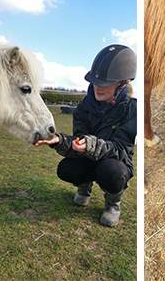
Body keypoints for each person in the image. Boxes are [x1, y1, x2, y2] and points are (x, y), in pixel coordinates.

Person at [35, 44, 137, 227]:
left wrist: (90, 145)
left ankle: (113, 203)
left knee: (113, 172)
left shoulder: (132, 110)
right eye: (95, 81)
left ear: (123, 84)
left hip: (114, 163)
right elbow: (78, 143)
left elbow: (121, 150)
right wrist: (59, 140)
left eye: (105, 83)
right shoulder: (83, 107)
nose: (97, 87)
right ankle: (84, 188)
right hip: (88, 160)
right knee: (65, 168)